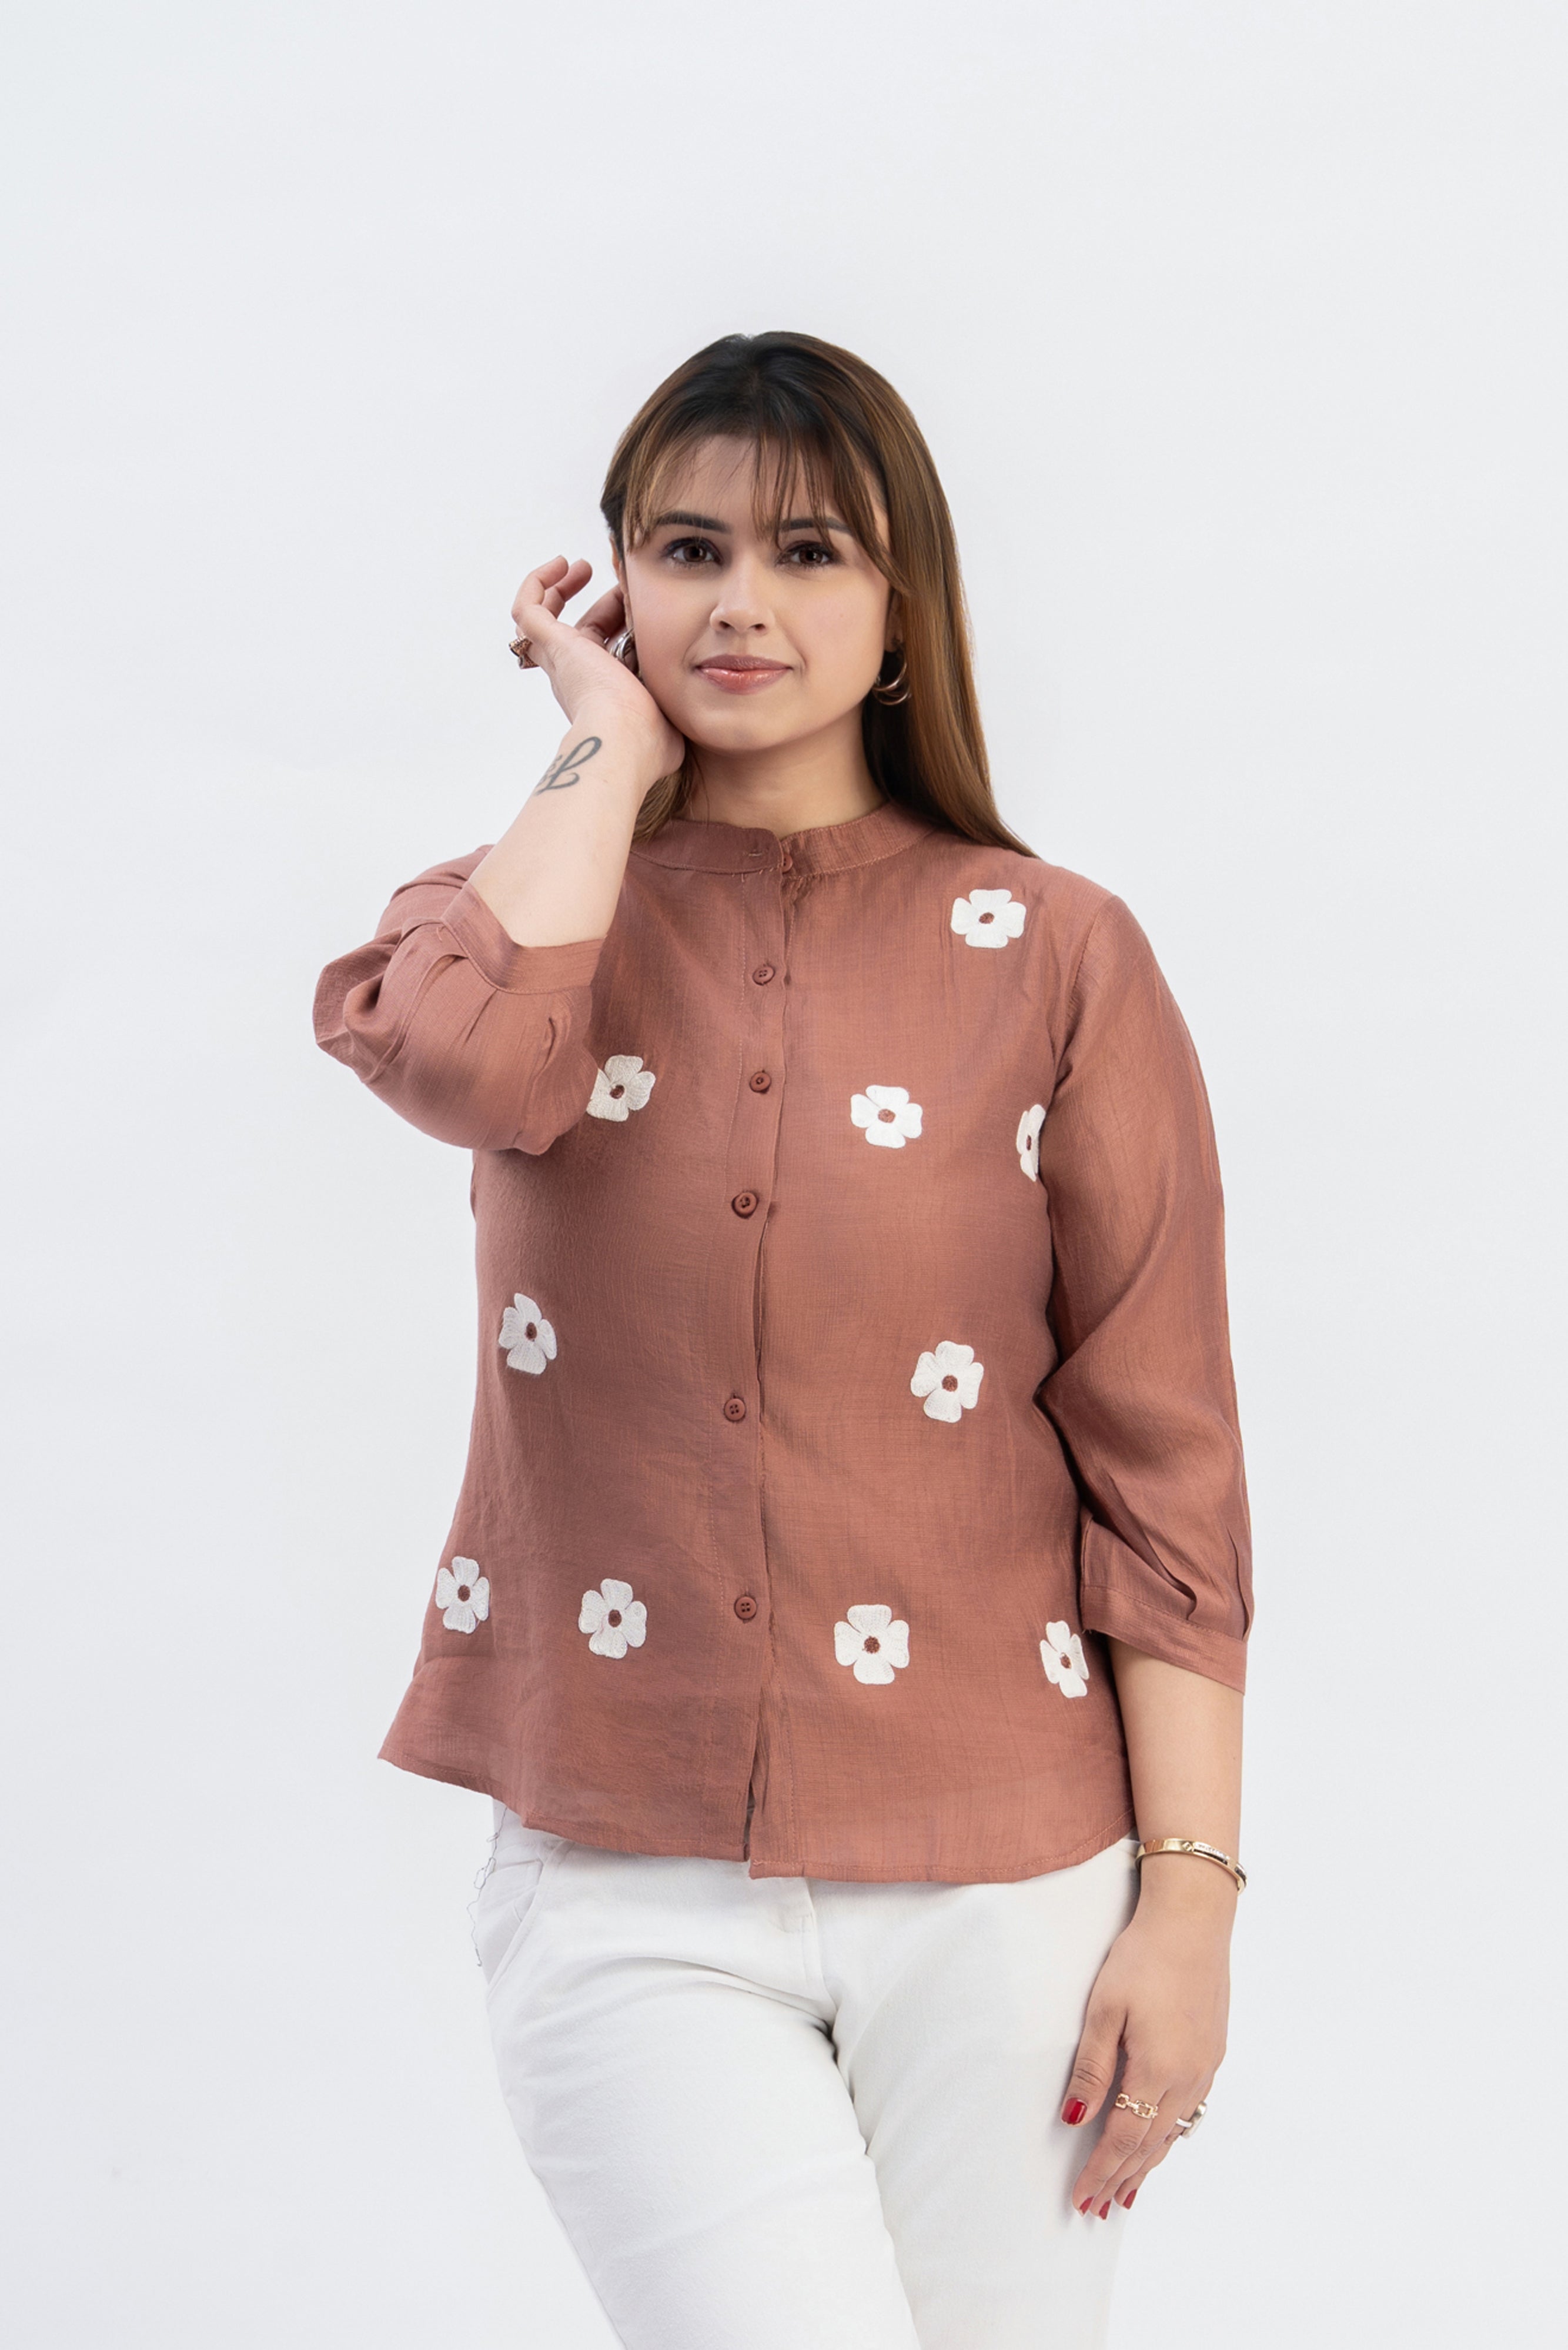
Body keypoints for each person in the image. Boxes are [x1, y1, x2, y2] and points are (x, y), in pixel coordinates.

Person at [312, 329, 1252, 2350]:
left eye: (808, 552)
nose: (740, 601)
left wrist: (1187, 1901)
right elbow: (461, 1066)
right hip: (624, 1874)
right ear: (612, 589)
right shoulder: (520, 919)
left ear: (902, 607)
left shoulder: (1057, 953)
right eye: (687, 550)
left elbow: (1161, 1458)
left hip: (1005, 1878)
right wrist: (603, 747)